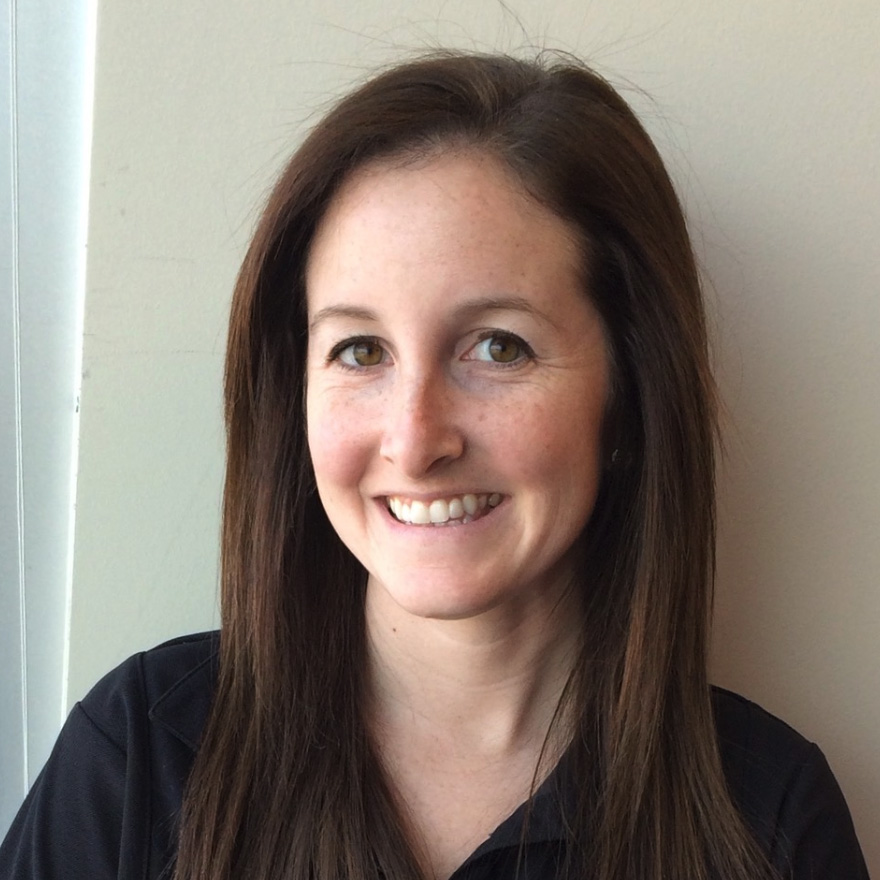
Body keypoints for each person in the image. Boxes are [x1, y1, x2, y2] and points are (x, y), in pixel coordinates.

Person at [0, 51, 870, 880]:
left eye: (498, 346)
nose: (415, 441)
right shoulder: (141, 753)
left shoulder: (767, 820)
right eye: (359, 349)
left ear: (630, 395)